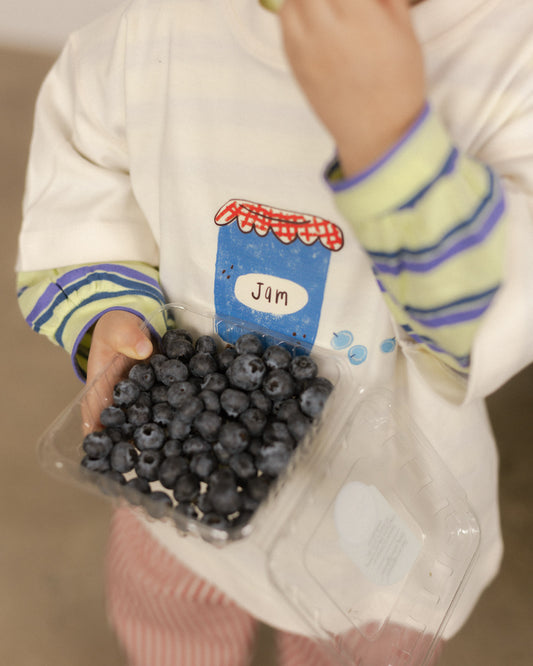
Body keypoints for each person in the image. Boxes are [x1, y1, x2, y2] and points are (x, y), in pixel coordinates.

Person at [15, 0, 533, 664]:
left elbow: (492, 322)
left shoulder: (509, 59)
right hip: (182, 487)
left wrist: (389, 138)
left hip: (378, 507)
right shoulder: (157, 29)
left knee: (358, 645)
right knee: (167, 606)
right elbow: (84, 178)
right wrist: (107, 310)